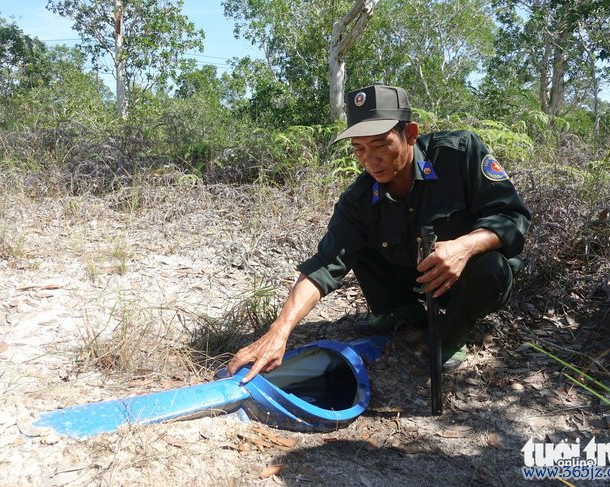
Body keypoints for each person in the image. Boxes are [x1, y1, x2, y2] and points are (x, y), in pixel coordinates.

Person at [227, 84, 531, 384]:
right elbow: (324, 265)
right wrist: (279, 331)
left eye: (380, 144)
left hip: (467, 282)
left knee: (490, 266)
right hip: (410, 281)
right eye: (359, 149)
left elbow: (513, 216)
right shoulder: (358, 200)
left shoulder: (459, 154)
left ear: (410, 134)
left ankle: (451, 334)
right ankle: (403, 313)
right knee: (354, 241)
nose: (370, 161)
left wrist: (466, 246)